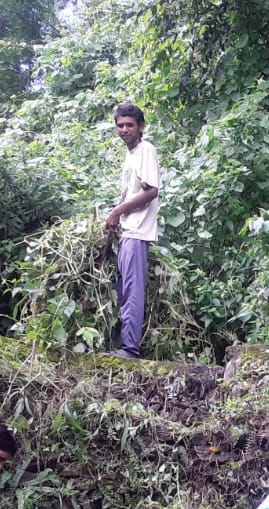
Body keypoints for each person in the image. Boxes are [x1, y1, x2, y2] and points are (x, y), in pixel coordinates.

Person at [105, 102, 160, 359]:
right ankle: (123, 344)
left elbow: (151, 192)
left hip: (138, 233)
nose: (124, 130)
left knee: (132, 291)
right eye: (120, 125)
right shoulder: (130, 155)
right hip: (128, 232)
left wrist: (118, 211)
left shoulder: (145, 149)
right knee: (123, 290)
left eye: (129, 125)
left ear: (140, 127)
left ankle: (130, 349)